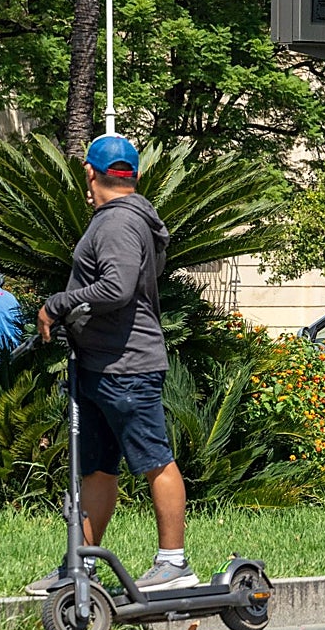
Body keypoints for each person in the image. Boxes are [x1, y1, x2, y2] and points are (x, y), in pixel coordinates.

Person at [26, 133, 197, 596]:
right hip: (103, 364)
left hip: (127, 367)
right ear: (134, 175)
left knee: (154, 459)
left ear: (90, 174)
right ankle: (78, 567)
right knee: (99, 469)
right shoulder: (130, 219)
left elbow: (117, 289)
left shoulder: (118, 223)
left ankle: (174, 564)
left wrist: (58, 304)